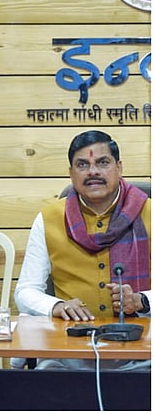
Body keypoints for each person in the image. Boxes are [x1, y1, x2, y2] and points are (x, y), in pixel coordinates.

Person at [14, 130, 150, 370]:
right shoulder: (49, 219)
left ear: (119, 168)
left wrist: (142, 301)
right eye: (82, 165)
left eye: (103, 162)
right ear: (71, 174)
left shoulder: (150, 214)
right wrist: (55, 306)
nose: (93, 172)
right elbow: (25, 291)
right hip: (68, 350)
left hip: (141, 350)